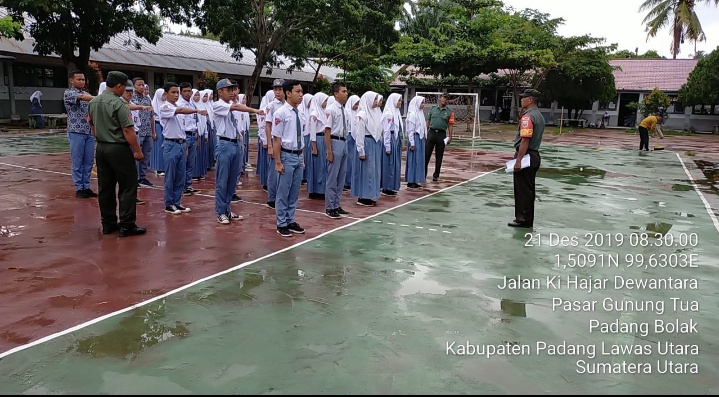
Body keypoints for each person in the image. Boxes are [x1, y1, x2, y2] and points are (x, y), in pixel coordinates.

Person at [87, 71, 146, 237]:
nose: (125, 91)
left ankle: (108, 223)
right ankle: (127, 225)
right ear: (118, 86)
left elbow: (92, 126)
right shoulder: (118, 104)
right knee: (127, 186)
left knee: (105, 187)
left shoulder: (94, 102)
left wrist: (101, 139)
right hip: (118, 148)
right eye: (124, 88)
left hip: (102, 147)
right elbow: (127, 129)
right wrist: (137, 151)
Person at [212, 78, 264, 225]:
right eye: (228, 90)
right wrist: (255, 110)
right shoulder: (218, 105)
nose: (232, 92)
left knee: (232, 180)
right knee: (222, 180)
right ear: (220, 91)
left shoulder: (231, 105)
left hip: (235, 144)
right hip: (224, 144)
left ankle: (227, 209)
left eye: (233, 89)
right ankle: (220, 211)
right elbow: (237, 108)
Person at [159, 82, 207, 215]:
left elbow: (182, 128)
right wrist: (197, 110)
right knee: (171, 176)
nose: (175, 95)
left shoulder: (178, 106)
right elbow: (179, 111)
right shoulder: (165, 107)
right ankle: (169, 204)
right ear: (165, 94)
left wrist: (185, 144)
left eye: (176, 93)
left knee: (180, 175)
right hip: (170, 144)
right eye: (173, 92)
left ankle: (177, 202)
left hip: (181, 143)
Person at [272, 79, 306, 237]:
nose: (301, 94)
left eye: (301, 91)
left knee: (294, 191)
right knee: (283, 191)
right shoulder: (281, 113)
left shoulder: (300, 112)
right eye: (298, 91)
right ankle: (281, 223)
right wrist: (278, 162)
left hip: (298, 155)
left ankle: (290, 219)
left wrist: (302, 157)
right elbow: (277, 139)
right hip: (286, 155)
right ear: (288, 93)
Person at [508, 89, 545, 228]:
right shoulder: (539, 116)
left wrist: (518, 160)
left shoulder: (528, 117)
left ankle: (522, 219)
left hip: (526, 155)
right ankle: (527, 219)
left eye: (523, 98)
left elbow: (525, 140)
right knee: (529, 190)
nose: (521, 100)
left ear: (530, 100)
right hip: (534, 154)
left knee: (522, 190)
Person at [64, 70, 97, 198]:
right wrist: (100, 97)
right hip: (76, 131)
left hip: (88, 132)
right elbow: (82, 98)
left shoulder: (87, 94)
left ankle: (86, 186)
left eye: (83, 79)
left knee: (88, 161)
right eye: (79, 79)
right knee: (77, 161)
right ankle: (79, 188)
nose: (82, 82)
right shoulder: (69, 93)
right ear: (72, 80)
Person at [323, 82, 350, 219]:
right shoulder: (331, 110)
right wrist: (329, 151)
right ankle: (330, 207)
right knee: (332, 177)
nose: (346, 94)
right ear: (336, 94)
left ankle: (337, 204)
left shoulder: (344, 110)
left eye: (346, 91)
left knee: (341, 176)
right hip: (335, 141)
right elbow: (327, 131)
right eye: (343, 91)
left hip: (344, 141)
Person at [351, 91, 382, 206]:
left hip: (374, 143)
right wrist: (361, 150)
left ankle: (370, 194)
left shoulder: (374, 112)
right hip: (366, 143)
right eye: (374, 99)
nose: (376, 102)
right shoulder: (362, 114)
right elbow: (359, 133)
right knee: (366, 171)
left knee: (373, 171)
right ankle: (363, 197)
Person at [130, 77, 155, 187]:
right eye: (139, 85)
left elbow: (151, 117)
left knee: (146, 155)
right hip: (137, 132)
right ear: (133, 85)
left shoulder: (147, 99)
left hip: (147, 131)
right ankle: (134, 178)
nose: (141, 87)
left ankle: (143, 177)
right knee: (136, 155)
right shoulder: (131, 98)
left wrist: (153, 132)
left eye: (143, 85)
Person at [425, 93, 454, 182]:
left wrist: (450, 136)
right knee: (426, 155)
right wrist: (425, 133)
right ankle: (423, 174)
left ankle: (436, 175)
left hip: (441, 135)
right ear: (440, 98)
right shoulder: (433, 108)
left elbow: (450, 125)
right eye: (443, 98)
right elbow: (428, 121)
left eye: (446, 99)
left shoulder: (449, 112)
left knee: (439, 156)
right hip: (431, 133)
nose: (444, 100)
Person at [380, 92, 403, 196]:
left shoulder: (396, 112)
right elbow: (386, 130)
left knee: (394, 163)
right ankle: (386, 187)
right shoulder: (389, 113)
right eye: (399, 100)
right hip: (390, 139)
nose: (401, 102)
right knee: (389, 164)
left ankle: (392, 185)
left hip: (395, 138)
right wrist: (387, 145)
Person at [405, 95, 426, 189]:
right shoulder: (412, 114)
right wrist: (412, 143)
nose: (423, 105)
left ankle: (416, 179)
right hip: (415, 138)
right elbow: (410, 130)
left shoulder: (420, 113)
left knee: (418, 160)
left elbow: (423, 127)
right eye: (422, 102)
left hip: (420, 138)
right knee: (413, 160)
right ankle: (411, 180)